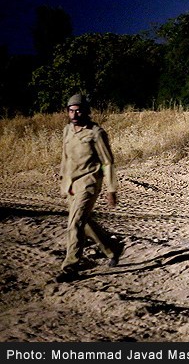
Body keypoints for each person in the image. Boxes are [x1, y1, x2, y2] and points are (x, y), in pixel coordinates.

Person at [57, 94, 124, 282]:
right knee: (84, 223)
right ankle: (112, 248)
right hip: (72, 183)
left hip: (89, 183)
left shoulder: (96, 133)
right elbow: (65, 157)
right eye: (71, 110)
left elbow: (107, 162)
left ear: (86, 111)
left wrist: (111, 189)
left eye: (79, 110)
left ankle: (70, 267)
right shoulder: (67, 131)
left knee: (75, 224)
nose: (74, 114)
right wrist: (63, 181)